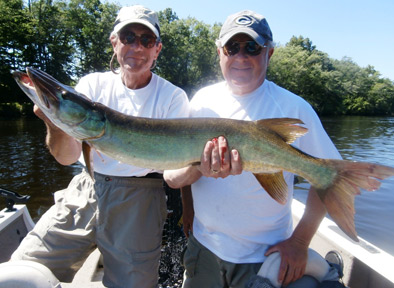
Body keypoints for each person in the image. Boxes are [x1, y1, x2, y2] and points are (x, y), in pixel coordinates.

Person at [8, 5, 189, 288]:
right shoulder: (92, 85)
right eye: (128, 36)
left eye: (147, 40)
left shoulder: (172, 98)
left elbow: (178, 170)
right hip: (86, 188)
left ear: (157, 49)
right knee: (19, 271)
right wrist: (55, 122)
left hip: (140, 198)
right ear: (114, 42)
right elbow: (67, 158)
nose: (137, 46)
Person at [164, 10, 343, 288]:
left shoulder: (294, 108)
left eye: (252, 47)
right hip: (204, 248)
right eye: (232, 47)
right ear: (219, 52)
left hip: (263, 255)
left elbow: (330, 178)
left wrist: (299, 242)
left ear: (269, 53)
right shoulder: (200, 101)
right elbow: (175, 175)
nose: (241, 56)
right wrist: (195, 180)